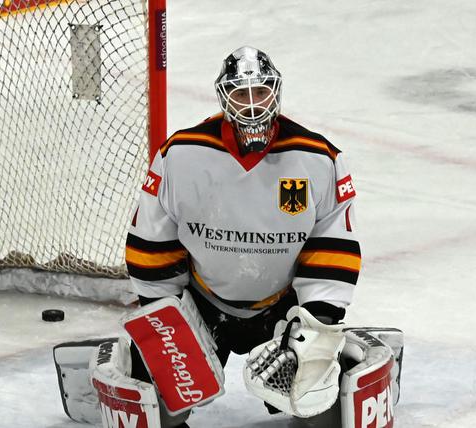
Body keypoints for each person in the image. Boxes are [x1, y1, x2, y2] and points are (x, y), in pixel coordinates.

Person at [123, 45, 362, 426]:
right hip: (201, 305)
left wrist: (318, 322)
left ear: (276, 92)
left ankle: (341, 359)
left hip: (283, 309)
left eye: (261, 91)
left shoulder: (319, 159)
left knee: (322, 414)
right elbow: (151, 243)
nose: (252, 104)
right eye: (240, 93)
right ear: (224, 97)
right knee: (160, 412)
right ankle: (131, 361)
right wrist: (163, 318)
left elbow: (333, 249)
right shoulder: (181, 155)